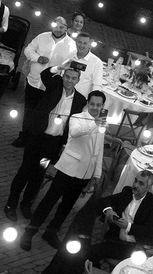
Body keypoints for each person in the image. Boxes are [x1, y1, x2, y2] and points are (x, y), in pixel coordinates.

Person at [36, 171, 153, 274]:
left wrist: (128, 226)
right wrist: (109, 210)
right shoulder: (127, 192)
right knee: (78, 253)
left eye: (141, 183)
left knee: (82, 255)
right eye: (135, 180)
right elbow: (104, 201)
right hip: (116, 241)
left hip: (137, 247)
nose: (135, 185)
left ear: (149, 188)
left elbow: (147, 230)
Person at [20, 89, 107, 251]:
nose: (95, 108)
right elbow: (75, 132)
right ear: (87, 104)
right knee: (49, 200)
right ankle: (29, 232)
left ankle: (51, 231)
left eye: (98, 105)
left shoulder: (102, 122)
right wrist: (94, 123)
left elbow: (99, 148)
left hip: (84, 172)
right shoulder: (77, 117)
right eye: (92, 104)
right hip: (68, 168)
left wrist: (96, 173)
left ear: (103, 106)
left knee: (67, 205)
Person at [4, 67, 86, 221]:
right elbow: (45, 75)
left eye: (73, 78)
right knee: (25, 170)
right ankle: (11, 204)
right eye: (67, 76)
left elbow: (73, 124)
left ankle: (26, 203)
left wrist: (64, 144)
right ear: (63, 76)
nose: (69, 80)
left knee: (39, 174)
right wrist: (58, 67)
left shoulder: (80, 100)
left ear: (78, 80)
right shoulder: (55, 86)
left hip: (53, 143)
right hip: (37, 137)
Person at [16, 16, 77, 147]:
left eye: (61, 27)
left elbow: (69, 64)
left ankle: (35, 140)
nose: (58, 29)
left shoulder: (71, 44)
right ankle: (24, 136)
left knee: (42, 115)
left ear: (66, 28)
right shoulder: (42, 37)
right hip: (34, 81)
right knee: (28, 110)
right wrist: (37, 58)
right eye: (56, 26)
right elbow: (28, 49)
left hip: (50, 86)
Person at [54, 32, 104, 99]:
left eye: (85, 43)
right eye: (79, 42)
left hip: (80, 100)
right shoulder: (69, 56)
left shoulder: (97, 62)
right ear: (76, 42)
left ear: (90, 45)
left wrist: (92, 100)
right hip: (62, 95)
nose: (81, 45)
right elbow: (61, 75)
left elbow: (97, 85)